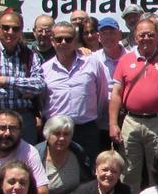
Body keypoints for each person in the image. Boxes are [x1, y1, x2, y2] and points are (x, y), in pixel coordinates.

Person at [109, 18, 158, 193]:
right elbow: (116, 93)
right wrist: (112, 123)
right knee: (129, 169)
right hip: (131, 121)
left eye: (150, 34)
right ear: (135, 37)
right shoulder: (125, 60)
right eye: (142, 35)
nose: (146, 38)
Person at [0, 11, 46, 143]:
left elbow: (39, 84)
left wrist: (4, 80)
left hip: (24, 119)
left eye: (15, 28)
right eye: (6, 27)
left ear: (21, 30)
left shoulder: (30, 55)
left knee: (25, 162)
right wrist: (19, 92)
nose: (10, 32)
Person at [40, 20, 109, 159]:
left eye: (68, 39)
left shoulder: (92, 63)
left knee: (89, 174)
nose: (64, 42)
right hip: (56, 131)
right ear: (52, 41)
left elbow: (102, 94)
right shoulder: (45, 69)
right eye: (59, 39)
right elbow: (42, 101)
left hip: (86, 130)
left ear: (75, 40)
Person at [35, 115, 91, 194]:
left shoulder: (77, 152)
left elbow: (88, 182)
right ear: (47, 134)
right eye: (56, 134)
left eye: (66, 134)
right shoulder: (35, 155)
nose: (62, 138)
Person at [92, 16, 126, 80]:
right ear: (98, 37)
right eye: (104, 33)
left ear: (120, 34)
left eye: (112, 32)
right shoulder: (93, 59)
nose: (108, 37)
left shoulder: (132, 57)